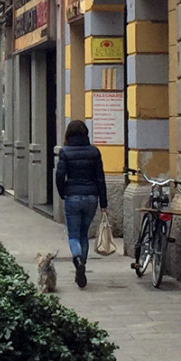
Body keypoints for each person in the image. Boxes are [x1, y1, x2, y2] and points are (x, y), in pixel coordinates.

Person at [55, 119, 107, 289]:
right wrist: (103, 202)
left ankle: (77, 259)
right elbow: (100, 178)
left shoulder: (65, 152)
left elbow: (59, 176)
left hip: (73, 196)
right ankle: (82, 263)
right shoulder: (94, 152)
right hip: (92, 196)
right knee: (84, 233)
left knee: (73, 235)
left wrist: (63, 193)